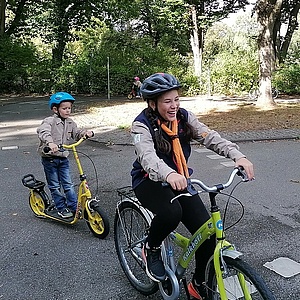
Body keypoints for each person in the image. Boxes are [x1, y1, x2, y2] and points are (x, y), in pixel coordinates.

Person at [130, 73, 254, 299]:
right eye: (167, 101)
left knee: (208, 234)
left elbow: (210, 137)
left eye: (176, 99)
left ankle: (198, 283)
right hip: (149, 180)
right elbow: (147, 157)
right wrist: (168, 174)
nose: (174, 106)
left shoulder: (184, 118)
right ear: (152, 103)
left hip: (180, 179)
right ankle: (151, 247)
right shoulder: (141, 125)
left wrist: (238, 156)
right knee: (171, 212)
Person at [37, 92, 94, 219]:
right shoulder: (49, 121)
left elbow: (76, 133)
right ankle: (61, 208)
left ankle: (74, 206)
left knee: (68, 184)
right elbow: (43, 131)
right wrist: (50, 142)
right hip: (50, 158)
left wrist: (85, 133)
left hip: (63, 158)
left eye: (69, 108)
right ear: (55, 109)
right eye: (64, 108)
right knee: (55, 185)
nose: (67, 110)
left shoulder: (70, 122)